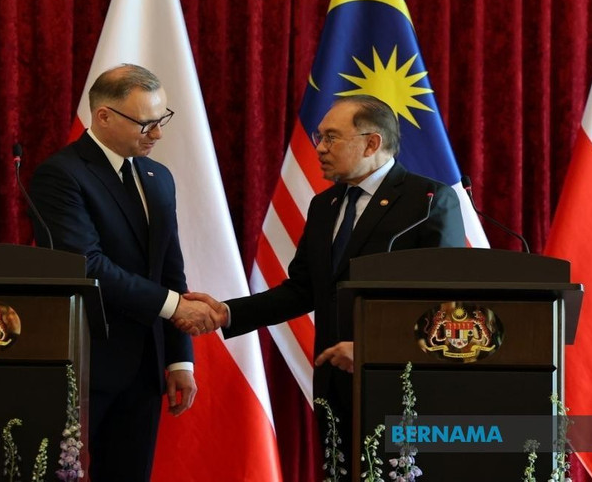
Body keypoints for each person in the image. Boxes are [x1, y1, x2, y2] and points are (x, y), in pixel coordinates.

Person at [181, 94, 466, 476]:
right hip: (334, 386)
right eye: (320, 137)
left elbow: (444, 303)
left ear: (371, 142)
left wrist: (370, 350)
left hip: (402, 385)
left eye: (331, 137)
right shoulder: (325, 205)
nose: (320, 148)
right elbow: (303, 289)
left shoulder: (428, 201)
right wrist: (228, 312)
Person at [29, 64, 216, 481]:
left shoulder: (158, 177)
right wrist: (173, 308)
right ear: (104, 117)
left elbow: (171, 270)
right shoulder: (61, 175)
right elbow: (85, 265)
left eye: (162, 119)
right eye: (146, 123)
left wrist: (179, 360)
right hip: (83, 366)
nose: (158, 134)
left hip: (145, 367)